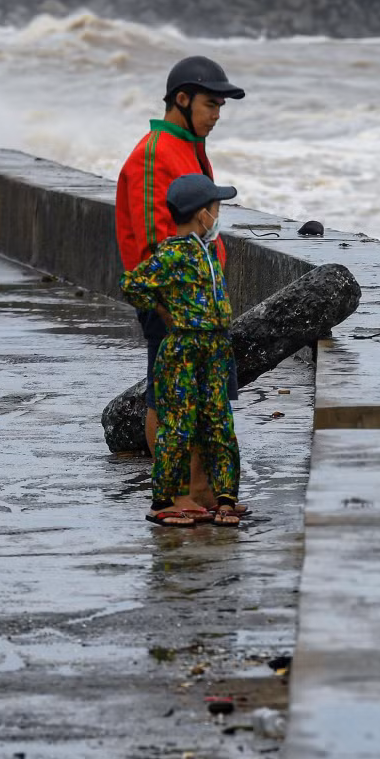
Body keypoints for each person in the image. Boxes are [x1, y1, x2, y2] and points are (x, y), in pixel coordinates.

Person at [116, 56, 246, 517]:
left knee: (202, 406)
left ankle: (204, 493)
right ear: (183, 99)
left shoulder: (187, 146)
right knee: (168, 402)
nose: (216, 114)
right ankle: (175, 496)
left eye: (221, 107)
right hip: (175, 311)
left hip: (199, 316)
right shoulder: (157, 150)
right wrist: (177, 317)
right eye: (211, 104)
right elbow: (155, 242)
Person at [121, 174, 243, 528]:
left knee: (219, 421)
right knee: (178, 423)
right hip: (183, 347)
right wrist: (162, 310)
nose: (218, 216)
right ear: (202, 214)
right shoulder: (173, 252)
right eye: (216, 208)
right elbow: (132, 284)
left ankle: (225, 499)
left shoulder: (205, 249)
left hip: (215, 346)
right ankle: (165, 501)